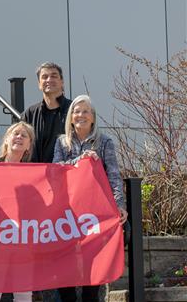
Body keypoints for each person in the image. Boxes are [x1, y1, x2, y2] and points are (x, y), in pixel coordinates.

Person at [53, 95, 127, 302]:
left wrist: (119, 205)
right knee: (65, 260)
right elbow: (56, 170)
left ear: (93, 118)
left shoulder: (104, 142)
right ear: (71, 117)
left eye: (86, 111)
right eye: (76, 111)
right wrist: (81, 160)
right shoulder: (61, 142)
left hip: (95, 212)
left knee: (92, 261)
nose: (81, 115)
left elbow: (113, 174)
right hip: (68, 210)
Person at [0, 122, 36, 302]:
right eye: (15, 133)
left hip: (22, 239)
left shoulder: (34, 173)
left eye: (24, 135)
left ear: (28, 146)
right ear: (7, 140)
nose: (19, 137)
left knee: (24, 293)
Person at [22, 62, 72, 163]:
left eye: (54, 76)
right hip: (36, 174)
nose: (49, 80)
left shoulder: (74, 110)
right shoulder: (30, 113)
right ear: (39, 84)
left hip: (66, 172)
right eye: (44, 77)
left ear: (62, 81)